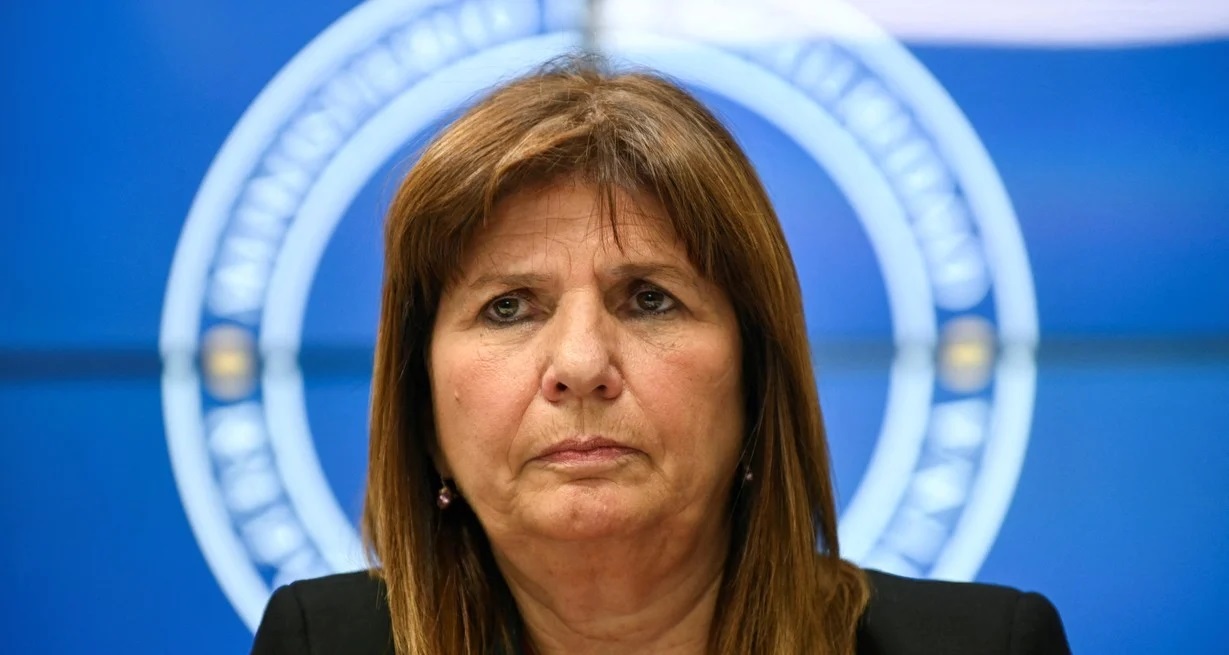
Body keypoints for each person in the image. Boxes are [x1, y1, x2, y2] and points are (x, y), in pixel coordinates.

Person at [250, 55, 1070, 655]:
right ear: (422, 409)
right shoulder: (320, 642)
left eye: (648, 299)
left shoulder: (984, 645)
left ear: (756, 377)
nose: (579, 364)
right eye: (507, 307)